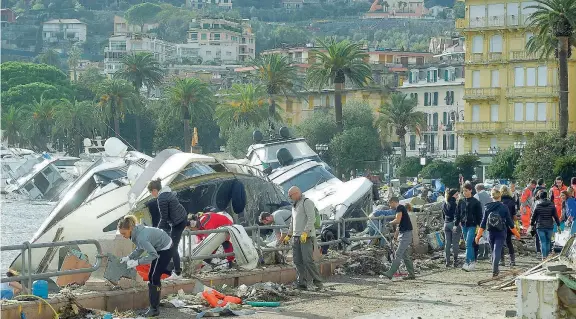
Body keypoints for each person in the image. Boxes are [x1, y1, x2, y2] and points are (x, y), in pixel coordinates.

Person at [119, 215, 173, 317]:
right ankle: (154, 305)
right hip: (160, 245)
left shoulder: (140, 236)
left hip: (165, 248)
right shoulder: (136, 232)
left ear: (130, 229)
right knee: (152, 277)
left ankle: (154, 309)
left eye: (124, 233)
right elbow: (140, 248)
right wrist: (129, 257)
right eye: (121, 234)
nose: (123, 236)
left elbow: (153, 254)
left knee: (154, 277)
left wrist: (137, 262)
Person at [282, 186, 323, 290]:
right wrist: (289, 235)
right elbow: (293, 222)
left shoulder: (307, 202)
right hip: (296, 237)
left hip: (306, 237)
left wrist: (306, 232)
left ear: (296, 193)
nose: (290, 198)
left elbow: (311, 218)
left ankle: (318, 282)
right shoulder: (294, 205)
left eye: (290, 196)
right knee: (297, 261)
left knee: (308, 260)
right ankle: (302, 283)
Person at [147, 179, 187, 281]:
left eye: (151, 192)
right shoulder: (168, 192)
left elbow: (163, 218)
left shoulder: (161, 199)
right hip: (182, 218)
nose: (151, 195)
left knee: (172, 248)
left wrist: (156, 231)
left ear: (155, 190)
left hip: (177, 223)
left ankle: (177, 273)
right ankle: (176, 271)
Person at [476, 189, 521, 277]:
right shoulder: (504, 207)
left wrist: (478, 235)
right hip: (501, 232)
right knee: (497, 250)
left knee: (493, 250)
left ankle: (494, 269)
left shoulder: (487, 207)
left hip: (491, 232)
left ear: (491, 197)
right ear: (500, 196)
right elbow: (510, 223)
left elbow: (483, 222)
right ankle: (495, 270)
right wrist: (517, 234)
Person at [383, 197, 415, 281]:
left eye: (390, 203)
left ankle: (390, 273)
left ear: (393, 202)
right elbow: (399, 225)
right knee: (405, 256)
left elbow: (397, 220)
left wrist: (389, 223)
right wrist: (396, 236)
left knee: (398, 254)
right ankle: (411, 274)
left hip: (405, 234)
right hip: (404, 233)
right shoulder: (401, 208)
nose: (389, 205)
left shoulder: (399, 208)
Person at [531, 191, 561, 260]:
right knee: (548, 241)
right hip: (549, 226)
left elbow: (533, 217)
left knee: (542, 242)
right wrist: (558, 225)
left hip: (540, 226)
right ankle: (547, 257)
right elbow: (556, 216)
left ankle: (544, 257)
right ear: (546, 196)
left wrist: (532, 225)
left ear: (540, 197)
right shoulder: (551, 205)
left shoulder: (538, 205)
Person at [459, 183, 483, 271]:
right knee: (467, 244)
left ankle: (468, 262)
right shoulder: (461, 201)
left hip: (472, 225)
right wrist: (457, 223)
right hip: (463, 225)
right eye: (463, 191)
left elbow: (480, 215)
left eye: (466, 190)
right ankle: (471, 261)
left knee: (468, 243)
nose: (464, 192)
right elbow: (458, 213)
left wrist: (481, 227)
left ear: (470, 190)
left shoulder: (476, 202)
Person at [442, 188, 461, 267]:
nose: (458, 196)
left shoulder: (444, 203)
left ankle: (447, 261)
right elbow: (457, 215)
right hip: (453, 223)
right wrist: (456, 224)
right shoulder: (455, 204)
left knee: (447, 243)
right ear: (453, 195)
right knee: (455, 243)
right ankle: (455, 261)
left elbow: (443, 215)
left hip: (446, 223)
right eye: (456, 194)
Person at [500, 185, 518, 266]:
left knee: (500, 242)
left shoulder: (499, 201)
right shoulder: (512, 201)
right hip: (509, 224)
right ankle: (512, 260)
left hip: (500, 224)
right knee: (509, 242)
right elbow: (514, 215)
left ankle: (502, 260)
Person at [474, 183, 492, 260]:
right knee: (487, 235)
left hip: (480, 218)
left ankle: (480, 253)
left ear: (477, 189)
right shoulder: (489, 196)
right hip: (489, 218)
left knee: (480, 235)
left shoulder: (477, 196)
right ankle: (486, 253)